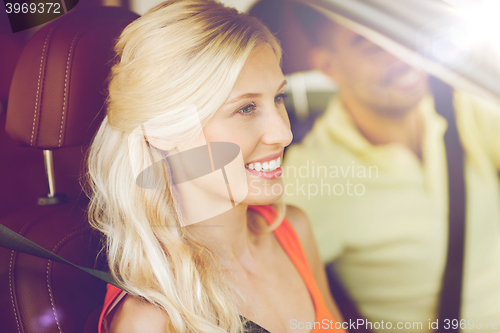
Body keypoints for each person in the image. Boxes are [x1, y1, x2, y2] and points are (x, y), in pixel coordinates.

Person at [86, 1, 345, 332]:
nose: (284, 133)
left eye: (279, 98)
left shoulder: (292, 230)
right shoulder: (152, 319)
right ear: (165, 130)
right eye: (246, 108)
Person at [280, 2, 500, 332]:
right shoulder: (313, 174)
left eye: (404, 36)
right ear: (328, 65)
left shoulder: (465, 108)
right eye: (371, 46)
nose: (402, 57)